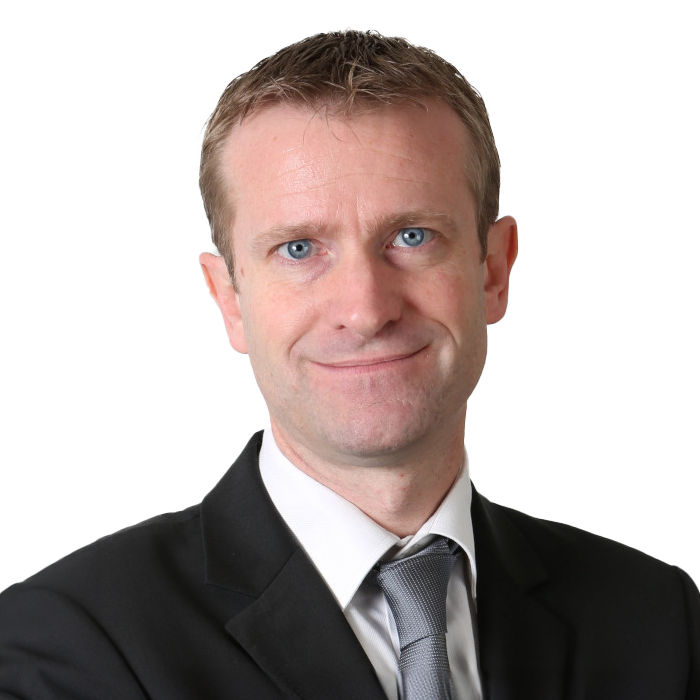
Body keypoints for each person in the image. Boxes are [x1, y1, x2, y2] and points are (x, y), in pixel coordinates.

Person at [1, 28, 698, 700]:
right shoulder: (66, 645)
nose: (365, 311)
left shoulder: (660, 622)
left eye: (412, 236)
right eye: (299, 249)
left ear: (492, 270)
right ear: (230, 299)